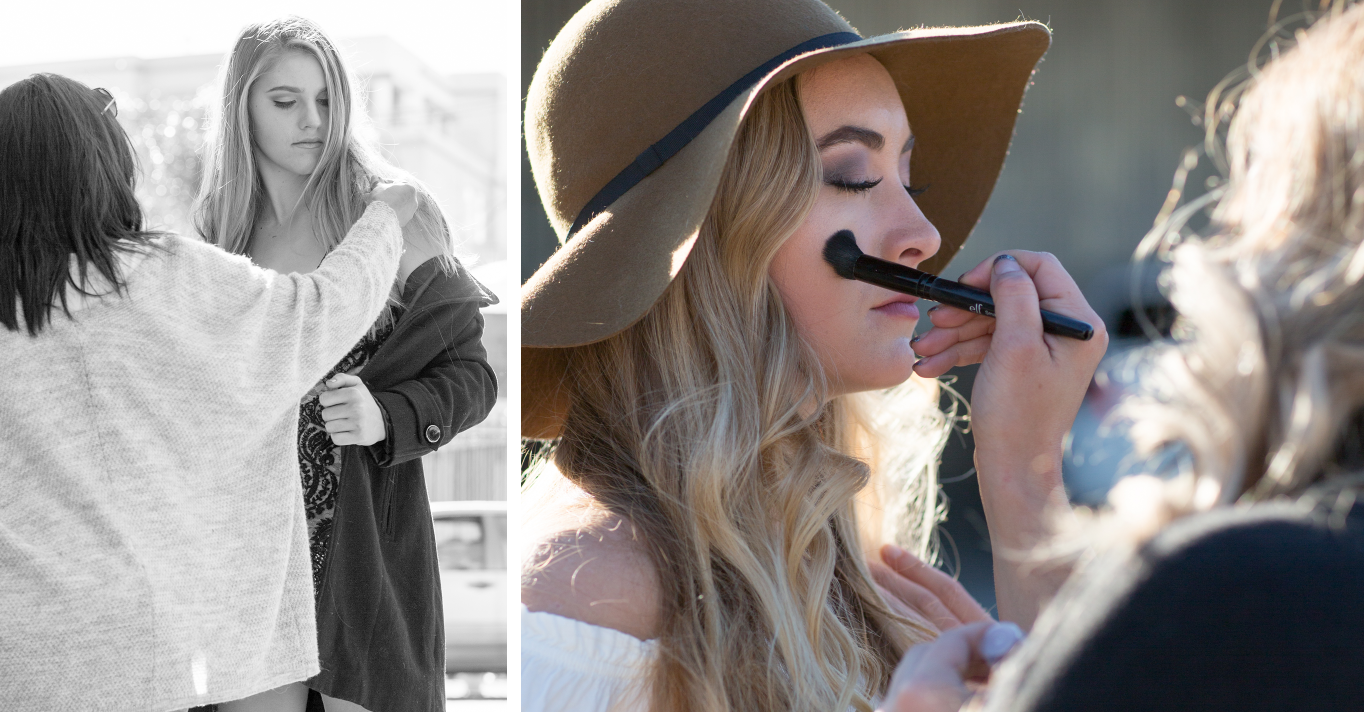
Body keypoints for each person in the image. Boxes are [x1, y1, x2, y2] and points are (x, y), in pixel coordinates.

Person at [515, 0, 1104, 710]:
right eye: (854, 175)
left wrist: (1024, 473)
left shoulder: (837, 566)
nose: (922, 231)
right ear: (701, 233)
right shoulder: (585, 599)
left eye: (908, 179)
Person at [878, 2, 1364, 709]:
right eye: (850, 176)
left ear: (1317, 266)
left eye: (1248, 213)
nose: (924, 236)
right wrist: (1024, 467)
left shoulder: (1233, 589)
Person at [0, 72, 415, 711]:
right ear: (104, 165)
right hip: (140, 644)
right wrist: (385, 217)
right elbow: (314, 313)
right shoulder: (162, 276)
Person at [192, 17, 498, 712]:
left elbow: (473, 377)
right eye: (285, 101)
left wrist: (386, 415)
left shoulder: (394, 212)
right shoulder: (218, 228)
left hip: (364, 551)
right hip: (248, 555)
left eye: (326, 99)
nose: (312, 119)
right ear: (241, 106)